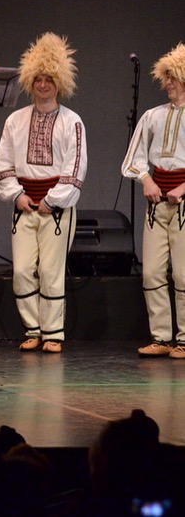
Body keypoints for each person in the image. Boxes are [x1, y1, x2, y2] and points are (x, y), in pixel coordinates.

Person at [0, 33, 85, 354]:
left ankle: (53, 333)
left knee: (50, 271)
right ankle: (33, 329)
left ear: (60, 83)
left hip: (55, 209)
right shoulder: (15, 121)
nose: (43, 85)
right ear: (30, 81)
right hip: (24, 206)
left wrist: (52, 200)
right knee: (22, 271)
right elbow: (4, 164)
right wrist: (17, 196)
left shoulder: (72, 122)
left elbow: (75, 169)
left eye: (49, 79)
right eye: (38, 79)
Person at [122, 43, 185, 359]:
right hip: (157, 204)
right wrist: (146, 179)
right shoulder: (152, 116)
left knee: (183, 274)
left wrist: (183, 187)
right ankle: (161, 337)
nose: (168, 82)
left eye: (174, 77)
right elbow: (133, 158)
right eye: (166, 77)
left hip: (183, 202)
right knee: (152, 273)